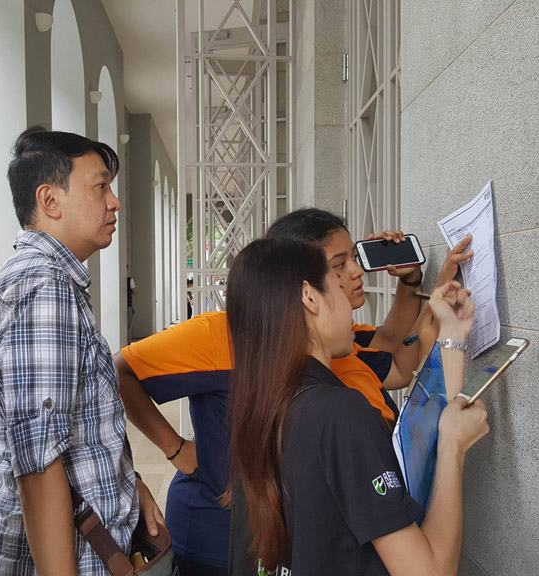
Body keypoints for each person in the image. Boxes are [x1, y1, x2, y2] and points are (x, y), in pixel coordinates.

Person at [114, 208, 472, 574]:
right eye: (336, 268)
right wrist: (177, 450)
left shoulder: (304, 375)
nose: (355, 273)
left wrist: (419, 290)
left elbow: (394, 351)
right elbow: (121, 370)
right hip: (223, 536)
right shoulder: (231, 345)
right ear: (305, 293)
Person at [226, 237, 489, 575]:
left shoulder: (273, 406)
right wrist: (453, 447)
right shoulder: (338, 413)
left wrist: (451, 334)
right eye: (336, 284)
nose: (352, 307)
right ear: (310, 297)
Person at [0, 127, 163, 575]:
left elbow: (78, 426)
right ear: (49, 200)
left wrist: (130, 484)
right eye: (100, 186)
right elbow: (38, 469)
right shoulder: (43, 288)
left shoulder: (52, 282)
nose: (114, 202)